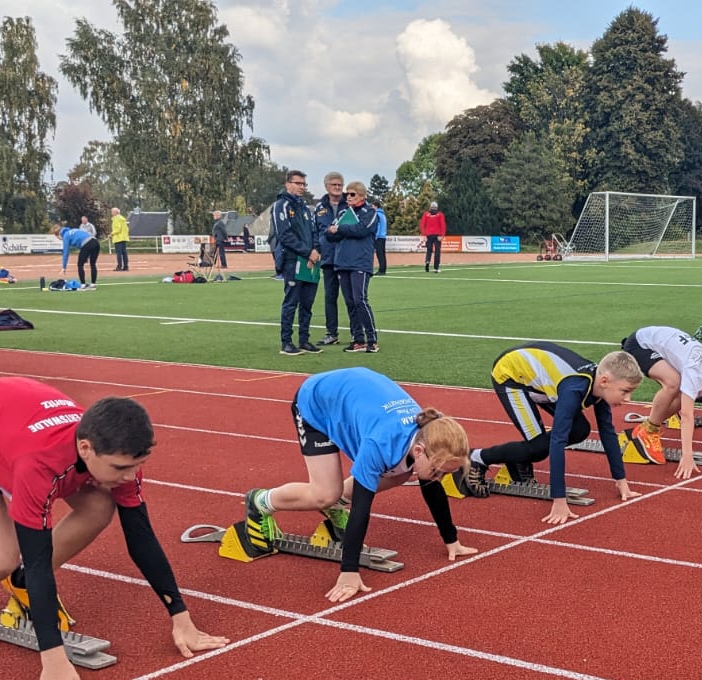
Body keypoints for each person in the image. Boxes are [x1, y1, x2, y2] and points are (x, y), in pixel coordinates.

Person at [0, 377, 229, 680]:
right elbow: (38, 561)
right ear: (86, 447)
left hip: (8, 423)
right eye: (121, 468)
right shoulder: (38, 465)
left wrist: (181, 619)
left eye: (137, 466)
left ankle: (19, 585)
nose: (129, 476)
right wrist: (53, 659)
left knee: (99, 506)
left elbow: (141, 539)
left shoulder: (120, 454)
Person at [243, 367, 477, 602]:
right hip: (317, 401)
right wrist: (349, 571)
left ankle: (335, 506)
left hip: (354, 393)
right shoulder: (380, 444)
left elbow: (432, 487)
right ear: (419, 451)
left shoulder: (430, 433)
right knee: (325, 494)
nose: (439, 478)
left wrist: (451, 540)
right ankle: (261, 501)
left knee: (401, 474)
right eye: (438, 471)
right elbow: (361, 510)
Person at [462, 344, 643, 524]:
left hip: (542, 382)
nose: (628, 399)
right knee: (538, 448)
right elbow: (558, 440)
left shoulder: (598, 385)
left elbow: (608, 432)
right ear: (604, 381)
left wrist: (621, 480)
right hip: (511, 377)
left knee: (580, 429)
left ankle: (518, 458)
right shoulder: (573, 389)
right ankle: (478, 458)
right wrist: (559, 499)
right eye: (625, 391)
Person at [621, 325, 702, 477]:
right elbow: (687, 416)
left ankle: (647, 427)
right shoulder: (696, 373)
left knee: (682, 394)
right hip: (640, 343)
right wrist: (687, 455)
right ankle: (649, 431)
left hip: (661, 343)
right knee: (673, 383)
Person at [271, 169, 322, 355]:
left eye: (304, 184)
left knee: (307, 303)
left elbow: (315, 231)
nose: (301, 187)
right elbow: (284, 235)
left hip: (310, 262)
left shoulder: (305, 208)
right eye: (298, 183)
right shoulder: (281, 205)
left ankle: (304, 340)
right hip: (293, 260)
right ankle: (286, 342)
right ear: (288, 184)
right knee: (291, 302)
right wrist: (308, 251)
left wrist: (316, 250)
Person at [333, 181, 381, 353]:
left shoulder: (371, 213)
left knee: (360, 300)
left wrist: (340, 229)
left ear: (362, 195)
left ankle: (372, 339)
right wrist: (336, 230)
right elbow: (330, 234)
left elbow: (361, 230)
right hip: (342, 262)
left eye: (352, 194)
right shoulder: (344, 212)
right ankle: (357, 339)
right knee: (350, 303)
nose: (348, 197)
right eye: (347, 194)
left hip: (360, 262)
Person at [312, 171, 347, 345]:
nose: (338, 187)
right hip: (328, 257)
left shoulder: (349, 204)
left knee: (352, 298)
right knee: (330, 297)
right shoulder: (320, 207)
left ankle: (358, 334)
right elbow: (320, 230)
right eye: (334, 184)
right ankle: (331, 333)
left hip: (347, 257)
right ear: (326, 186)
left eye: (340, 184)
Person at [54, 223, 101, 289]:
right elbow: (81, 241)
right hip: (95, 242)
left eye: (58, 238)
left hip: (87, 244)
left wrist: (64, 267)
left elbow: (66, 252)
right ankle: (93, 284)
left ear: (59, 234)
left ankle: (83, 284)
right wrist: (86, 257)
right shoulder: (74, 230)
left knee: (80, 265)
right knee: (93, 264)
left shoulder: (65, 236)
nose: (59, 239)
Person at [420, 200, 445, 273]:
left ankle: (427, 262)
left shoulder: (426, 214)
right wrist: (442, 235)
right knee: (437, 251)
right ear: (436, 208)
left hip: (428, 235)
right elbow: (443, 225)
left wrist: (424, 235)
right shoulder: (440, 214)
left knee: (429, 250)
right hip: (437, 235)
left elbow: (422, 225)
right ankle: (436, 268)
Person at [109, 207, 130, 271]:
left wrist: (112, 234)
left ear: (115, 212)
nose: (111, 213)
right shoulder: (123, 218)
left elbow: (118, 229)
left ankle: (119, 266)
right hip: (124, 238)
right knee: (124, 253)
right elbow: (126, 229)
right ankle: (126, 266)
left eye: (112, 212)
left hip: (118, 238)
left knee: (119, 253)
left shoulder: (117, 219)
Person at [373, 203, 388, 275]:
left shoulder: (377, 214)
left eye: (372, 206)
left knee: (379, 254)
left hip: (379, 237)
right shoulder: (383, 215)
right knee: (382, 253)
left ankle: (381, 270)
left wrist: (375, 236)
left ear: (376, 206)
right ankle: (383, 269)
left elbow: (377, 226)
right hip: (383, 236)